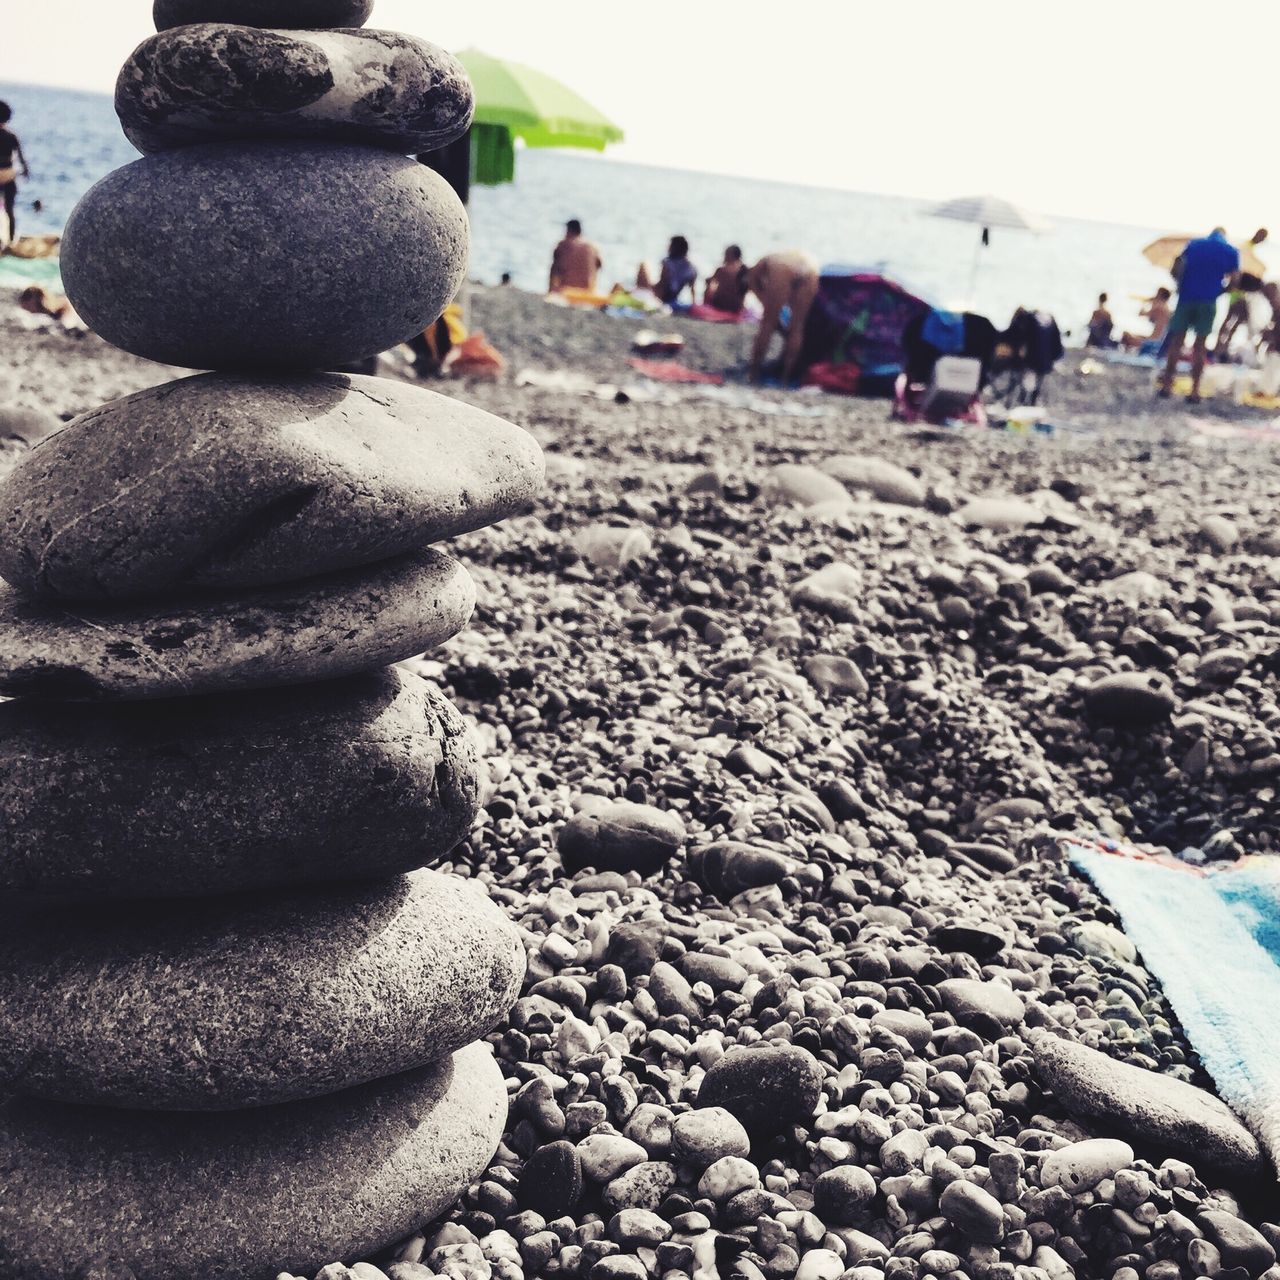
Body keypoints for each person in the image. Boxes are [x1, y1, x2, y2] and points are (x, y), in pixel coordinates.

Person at [1158, 227, 1240, 402]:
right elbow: (1235, 280)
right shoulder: (1230, 251)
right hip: (1208, 301)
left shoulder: (1194, 244)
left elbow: (1177, 267)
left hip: (1186, 297)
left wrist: (1181, 284)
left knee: (1176, 342)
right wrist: (1220, 291)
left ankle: (1167, 385)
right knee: (1200, 346)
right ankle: (1194, 390)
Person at [745, 250, 819, 384]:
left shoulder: (764, 262)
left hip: (783, 268)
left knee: (767, 325)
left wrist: (764, 300)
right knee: (797, 327)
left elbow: (752, 282)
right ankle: (785, 377)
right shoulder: (774, 257)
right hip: (811, 267)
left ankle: (753, 373)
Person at [1215, 227, 1269, 357]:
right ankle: (1219, 347)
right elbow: (1238, 270)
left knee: (1238, 320)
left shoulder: (1249, 249)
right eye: (1261, 236)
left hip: (1244, 292)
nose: (1261, 239)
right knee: (1230, 319)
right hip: (1238, 291)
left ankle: (1223, 347)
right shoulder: (1245, 248)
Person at [0, 102, 30, 247]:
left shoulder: (11, 136)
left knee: (8, 209)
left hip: (4, 174)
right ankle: (11, 242)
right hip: (9, 174)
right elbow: (21, 157)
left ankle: (7, 240)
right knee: (9, 209)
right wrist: (25, 170)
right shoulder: (11, 136)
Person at [637, 236, 698, 306]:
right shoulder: (691, 269)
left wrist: (655, 300)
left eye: (670, 245)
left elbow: (662, 285)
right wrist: (694, 305)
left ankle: (636, 291)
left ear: (674, 248)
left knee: (643, 265)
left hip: (659, 297)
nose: (668, 248)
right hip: (672, 297)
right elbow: (692, 291)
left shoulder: (668, 263)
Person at [548, 219, 602, 293]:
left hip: (566, 290)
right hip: (587, 291)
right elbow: (599, 265)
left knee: (555, 265)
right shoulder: (591, 247)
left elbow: (555, 268)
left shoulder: (564, 244)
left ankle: (551, 292)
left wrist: (551, 290)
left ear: (569, 230)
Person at [1121, 286, 1172, 352]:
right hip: (1157, 340)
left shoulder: (1160, 307)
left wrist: (1144, 302)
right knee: (1132, 336)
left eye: (1157, 294)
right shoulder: (1165, 308)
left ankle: (1127, 352)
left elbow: (1141, 314)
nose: (1155, 295)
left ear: (1160, 295)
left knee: (1126, 336)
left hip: (1155, 341)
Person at [704, 245, 750, 314]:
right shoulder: (745, 270)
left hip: (722, 306)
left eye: (725, 254)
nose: (724, 257)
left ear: (730, 255)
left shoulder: (722, 270)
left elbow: (709, 281)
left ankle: (705, 306)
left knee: (710, 286)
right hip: (737, 307)